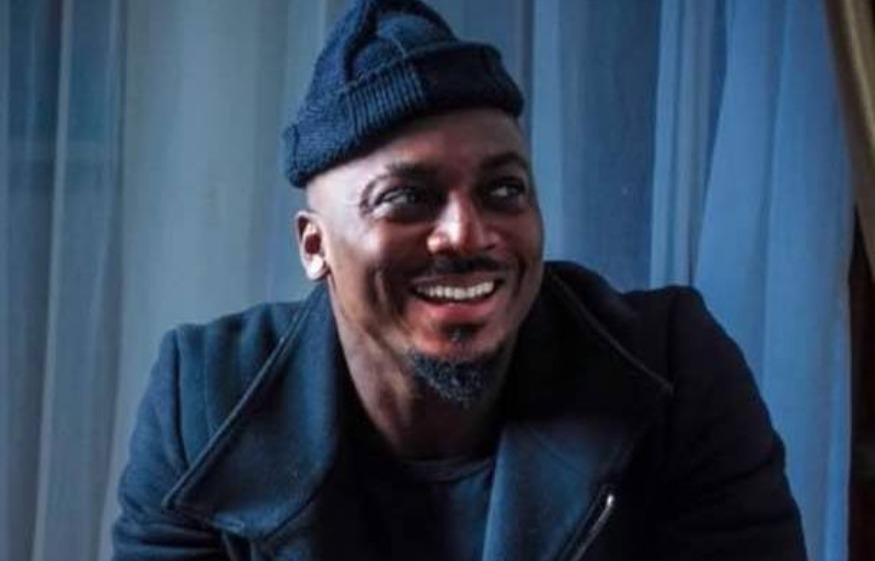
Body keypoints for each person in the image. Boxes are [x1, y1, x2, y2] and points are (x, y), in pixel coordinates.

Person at [112, 0, 808, 560]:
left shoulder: (671, 370)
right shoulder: (204, 401)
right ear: (315, 246)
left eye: (503, 190)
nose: (468, 235)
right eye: (406, 198)